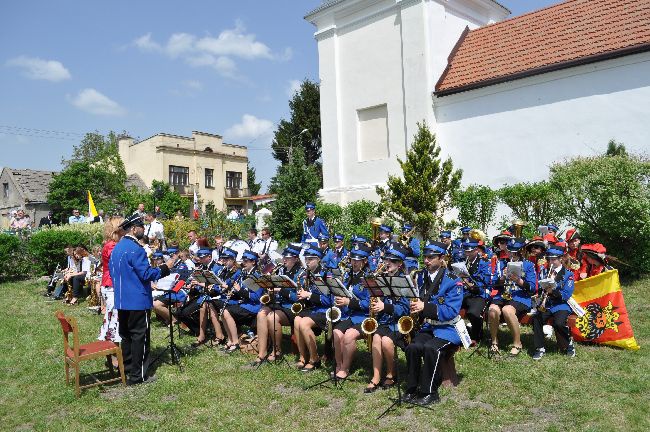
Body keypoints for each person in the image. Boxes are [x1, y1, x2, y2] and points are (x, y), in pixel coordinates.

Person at [109, 214, 174, 385]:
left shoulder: (117, 247)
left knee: (127, 337)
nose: (144, 230)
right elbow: (146, 274)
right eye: (142, 227)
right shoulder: (136, 249)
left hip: (122, 300)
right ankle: (138, 376)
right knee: (140, 338)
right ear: (134, 229)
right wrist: (165, 268)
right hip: (138, 301)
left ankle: (129, 368)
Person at [404, 240, 464, 405]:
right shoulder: (421, 276)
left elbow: (451, 311)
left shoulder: (453, 280)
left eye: (431, 257)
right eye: (425, 257)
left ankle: (429, 392)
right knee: (413, 347)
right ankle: (411, 389)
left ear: (442, 258)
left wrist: (425, 307)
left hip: (449, 328)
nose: (426, 261)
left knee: (431, 348)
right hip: (429, 325)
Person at [363, 244, 410, 394]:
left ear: (400, 264)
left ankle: (391, 373)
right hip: (384, 320)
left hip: (399, 322)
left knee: (386, 341)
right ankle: (376, 377)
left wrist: (385, 307)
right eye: (386, 260)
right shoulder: (381, 278)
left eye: (392, 261)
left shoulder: (404, 281)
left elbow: (405, 309)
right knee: (376, 338)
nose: (387, 263)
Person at [252, 244, 304, 365]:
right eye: (284, 256)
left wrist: (281, 290)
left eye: (288, 257)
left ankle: (277, 350)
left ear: (296, 259)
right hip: (279, 304)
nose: (284, 259)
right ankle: (262, 351)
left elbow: (297, 297)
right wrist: (269, 287)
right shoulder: (281, 270)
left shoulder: (300, 274)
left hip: (292, 307)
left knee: (272, 317)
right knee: (261, 313)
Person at [488, 237, 537, 356]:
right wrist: (502, 278)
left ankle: (517, 343)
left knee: (507, 310)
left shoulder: (528, 265)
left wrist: (519, 280)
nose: (512, 254)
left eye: (515, 252)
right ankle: (494, 341)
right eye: (510, 252)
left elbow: (532, 288)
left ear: (521, 252)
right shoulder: (502, 263)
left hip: (520, 296)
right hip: (503, 295)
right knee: (492, 310)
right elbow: (494, 284)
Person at [332, 243, 372, 380]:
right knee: (336, 333)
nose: (354, 263)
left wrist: (349, 302)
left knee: (349, 336)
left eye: (358, 260)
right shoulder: (347, 275)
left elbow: (369, 304)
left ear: (365, 261)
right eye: (352, 259)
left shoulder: (369, 278)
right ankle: (338, 364)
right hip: (348, 315)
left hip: (363, 317)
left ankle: (345, 368)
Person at [532, 245, 576, 360]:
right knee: (536, 319)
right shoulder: (544, 272)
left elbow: (567, 294)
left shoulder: (568, 274)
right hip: (546, 304)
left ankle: (568, 345)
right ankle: (540, 347)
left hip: (561, 304)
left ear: (560, 259)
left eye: (554, 259)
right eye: (549, 259)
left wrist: (553, 291)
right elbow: (539, 287)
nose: (551, 262)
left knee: (559, 323)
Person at [293, 246, 332, 371]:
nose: (307, 262)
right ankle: (303, 356)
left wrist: (309, 295)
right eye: (306, 259)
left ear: (318, 260)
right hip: (313, 309)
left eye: (310, 259)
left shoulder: (326, 274)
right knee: (296, 320)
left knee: (304, 323)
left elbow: (329, 300)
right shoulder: (306, 274)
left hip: (325, 310)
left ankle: (314, 359)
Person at [221, 250, 263, 353]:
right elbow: (240, 291)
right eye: (243, 261)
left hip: (254, 306)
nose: (243, 263)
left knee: (226, 311)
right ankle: (230, 340)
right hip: (245, 303)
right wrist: (234, 292)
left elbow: (256, 297)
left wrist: (239, 290)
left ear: (253, 262)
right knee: (223, 311)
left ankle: (235, 342)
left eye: (246, 261)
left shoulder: (257, 276)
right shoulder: (244, 273)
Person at [97, 216, 125, 366]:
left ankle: (113, 355)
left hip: (111, 285)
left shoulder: (113, 244)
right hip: (111, 285)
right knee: (114, 320)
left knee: (113, 319)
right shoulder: (112, 246)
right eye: (124, 226)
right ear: (117, 229)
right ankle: (113, 357)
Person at [460, 240, 491, 345]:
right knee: (450, 307)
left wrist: (469, 283)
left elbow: (484, 283)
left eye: (470, 251)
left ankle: (476, 336)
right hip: (466, 292)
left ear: (476, 250)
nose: (467, 254)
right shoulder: (465, 262)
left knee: (473, 313)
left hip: (479, 294)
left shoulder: (484, 263)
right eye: (466, 252)